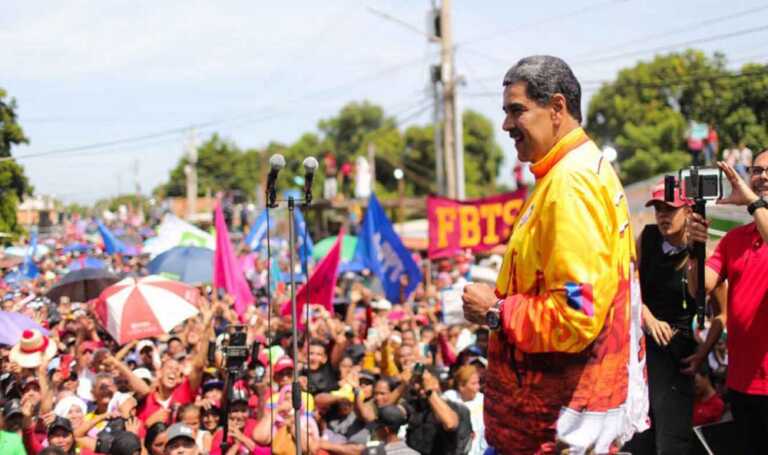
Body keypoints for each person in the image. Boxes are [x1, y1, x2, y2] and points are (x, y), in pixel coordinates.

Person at [462, 55, 647, 453]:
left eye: (517, 111)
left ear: (557, 108)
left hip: (554, 431)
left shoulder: (571, 185)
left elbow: (576, 315)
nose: (506, 125)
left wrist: (495, 312)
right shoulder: (573, 170)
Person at [624, 178, 726, 454]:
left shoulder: (705, 252)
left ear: (689, 211)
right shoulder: (646, 237)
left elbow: (723, 313)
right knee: (641, 437)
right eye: (657, 209)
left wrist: (703, 353)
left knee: (671, 440)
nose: (662, 216)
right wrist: (647, 316)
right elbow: (627, 286)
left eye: (669, 209)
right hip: (643, 349)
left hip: (679, 356)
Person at [687, 153, 768, 453]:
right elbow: (699, 287)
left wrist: (751, 202)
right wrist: (694, 247)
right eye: (757, 170)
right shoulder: (734, 239)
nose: (762, 176)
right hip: (741, 384)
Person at [442, 366, 486, 455]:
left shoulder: (482, 399)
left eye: (478, 383)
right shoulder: (450, 398)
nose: (478, 387)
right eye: (473, 384)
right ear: (461, 386)